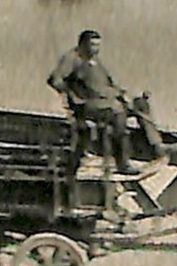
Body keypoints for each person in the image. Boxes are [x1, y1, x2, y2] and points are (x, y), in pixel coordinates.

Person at [47, 29, 136, 176]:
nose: (95, 49)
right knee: (118, 113)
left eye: (97, 45)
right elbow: (54, 80)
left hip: (106, 100)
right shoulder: (73, 58)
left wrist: (123, 94)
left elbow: (109, 84)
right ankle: (122, 163)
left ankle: (156, 145)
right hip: (87, 104)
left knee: (140, 105)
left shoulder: (95, 60)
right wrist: (73, 96)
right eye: (92, 45)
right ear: (82, 44)